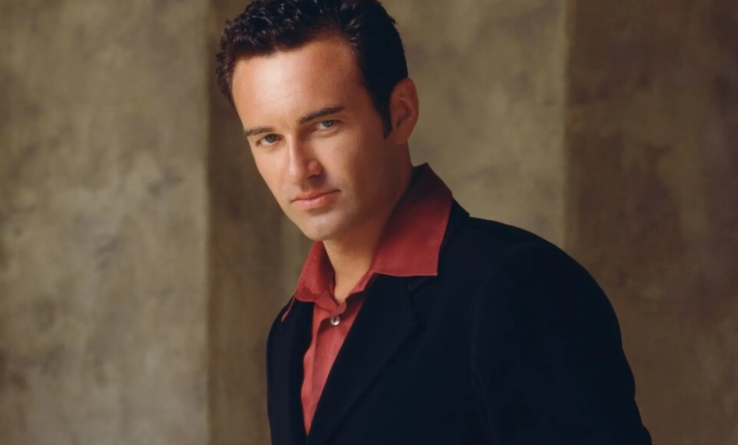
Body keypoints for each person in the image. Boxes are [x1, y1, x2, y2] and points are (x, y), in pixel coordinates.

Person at [215, 0, 652, 444]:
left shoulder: (520, 287)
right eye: (269, 138)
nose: (298, 170)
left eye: (325, 124)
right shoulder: (288, 330)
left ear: (400, 112)